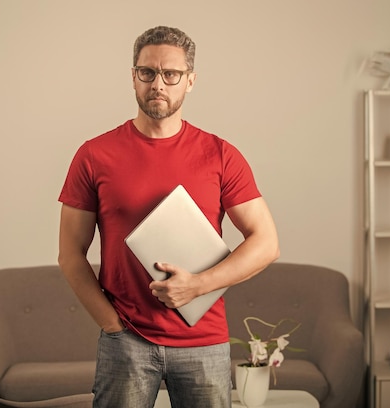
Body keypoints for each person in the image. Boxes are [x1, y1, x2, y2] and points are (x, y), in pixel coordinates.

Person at [58, 26, 279, 408]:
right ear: (133, 77)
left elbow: (266, 242)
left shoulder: (221, 155)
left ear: (190, 80)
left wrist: (198, 285)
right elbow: (70, 254)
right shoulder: (94, 155)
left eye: (171, 74)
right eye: (147, 72)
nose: (158, 83)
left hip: (204, 340)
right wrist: (112, 325)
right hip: (124, 340)